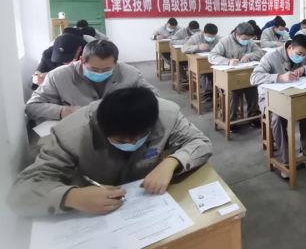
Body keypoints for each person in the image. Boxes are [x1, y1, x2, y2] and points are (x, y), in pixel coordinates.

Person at [9, 87, 212, 217]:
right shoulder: (71, 133)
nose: (132, 144)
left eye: (140, 137)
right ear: (100, 127)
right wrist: (71, 197)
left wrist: (172, 162)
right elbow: (21, 191)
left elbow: (200, 142)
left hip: (147, 205)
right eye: (121, 141)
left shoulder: (166, 115)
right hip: (92, 212)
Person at [25, 40, 159, 124]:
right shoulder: (58, 76)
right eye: (94, 69)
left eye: (107, 69)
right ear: (82, 61)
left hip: (119, 131)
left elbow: (154, 96)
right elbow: (31, 107)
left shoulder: (129, 73)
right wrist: (61, 111)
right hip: (77, 132)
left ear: (116, 63)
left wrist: (133, 108)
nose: (100, 73)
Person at [250, 35, 306, 178]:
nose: (301, 57)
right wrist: (278, 77)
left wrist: (304, 68)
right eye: (299, 54)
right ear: (290, 47)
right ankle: (285, 159)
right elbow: (254, 78)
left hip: (295, 95)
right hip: (270, 98)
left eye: (304, 55)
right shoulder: (271, 57)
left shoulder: (304, 56)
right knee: (278, 118)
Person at [208, 22, 264, 132]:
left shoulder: (249, 41)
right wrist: (228, 61)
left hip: (244, 76)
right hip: (228, 78)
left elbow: (260, 53)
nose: (246, 41)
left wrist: (248, 56)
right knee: (233, 92)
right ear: (237, 34)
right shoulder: (224, 41)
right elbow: (212, 56)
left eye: (248, 39)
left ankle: (253, 116)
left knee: (253, 88)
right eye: (244, 39)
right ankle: (231, 120)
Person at [182, 23, 221, 102]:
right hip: (199, 64)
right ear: (203, 33)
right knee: (203, 73)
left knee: (217, 72)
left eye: (213, 37)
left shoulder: (218, 38)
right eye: (209, 36)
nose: (211, 38)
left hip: (212, 63)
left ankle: (218, 93)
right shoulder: (195, 37)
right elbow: (183, 49)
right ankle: (208, 93)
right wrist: (198, 47)